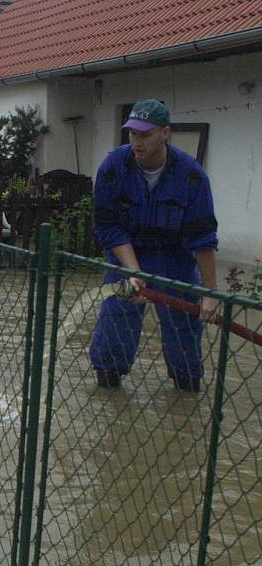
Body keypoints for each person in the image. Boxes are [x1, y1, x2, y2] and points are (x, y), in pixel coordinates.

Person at [89, 99, 219, 393]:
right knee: (115, 322)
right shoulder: (113, 167)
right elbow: (108, 226)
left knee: (183, 327)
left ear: (165, 133)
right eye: (133, 134)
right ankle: (108, 382)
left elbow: (203, 240)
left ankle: (186, 385)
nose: (137, 141)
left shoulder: (192, 176)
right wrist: (134, 272)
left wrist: (209, 294)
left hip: (174, 257)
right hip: (126, 253)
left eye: (145, 134)